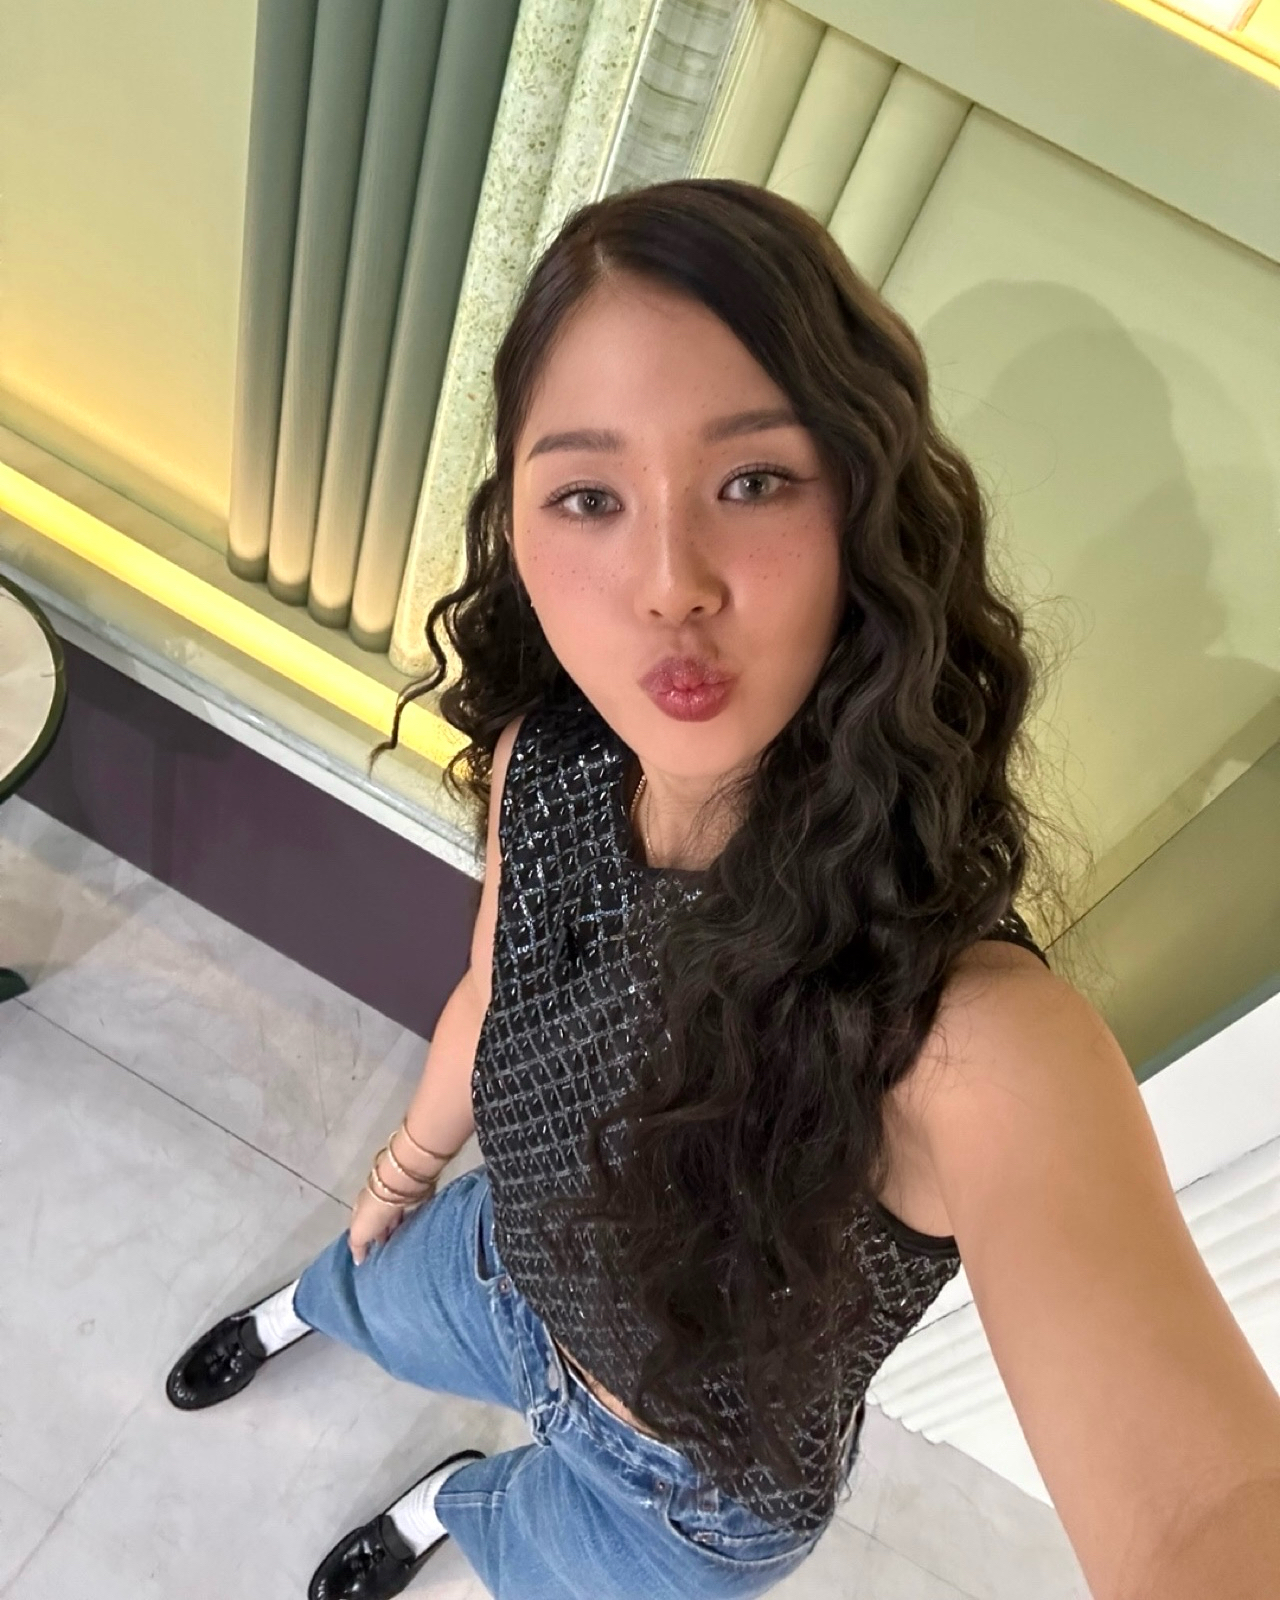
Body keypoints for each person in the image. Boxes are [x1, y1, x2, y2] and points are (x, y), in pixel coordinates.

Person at [165, 179, 1280, 1600]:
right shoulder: (547, 762)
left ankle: (455, 1502)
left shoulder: (969, 1039)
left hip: (685, 1499)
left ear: (864, 507)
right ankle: (300, 1315)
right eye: (589, 497)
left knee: (529, 1546)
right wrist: (402, 1171)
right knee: (360, 1294)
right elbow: (498, 984)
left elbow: (1209, 1511)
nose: (669, 582)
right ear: (518, 529)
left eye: (752, 481)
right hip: (500, 1266)